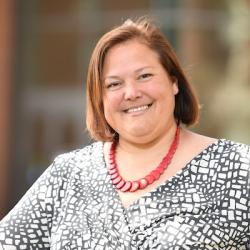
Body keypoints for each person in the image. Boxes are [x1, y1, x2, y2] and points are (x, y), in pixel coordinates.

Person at [0, 17, 249, 250]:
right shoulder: (68, 175)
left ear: (174, 82)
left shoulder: (238, 168)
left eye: (144, 76)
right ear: (100, 99)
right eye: (114, 84)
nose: (131, 93)